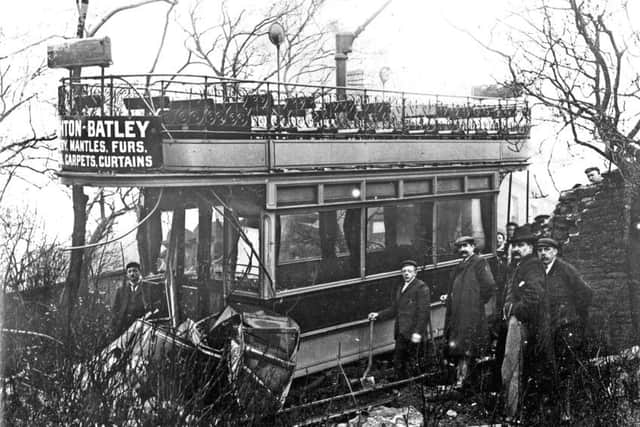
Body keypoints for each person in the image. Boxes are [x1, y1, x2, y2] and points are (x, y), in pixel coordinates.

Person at [536, 237, 593, 421]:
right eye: (540, 250)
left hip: (566, 326)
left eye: (547, 249)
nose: (543, 253)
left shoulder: (565, 270)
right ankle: (549, 412)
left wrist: (573, 315)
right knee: (548, 368)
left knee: (565, 370)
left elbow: (586, 293)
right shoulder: (539, 271)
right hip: (548, 327)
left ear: (555, 251)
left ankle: (566, 411)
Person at [501, 226, 545, 421]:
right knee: (509, 367)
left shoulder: (532, 266)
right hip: (513, 321)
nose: (517, 249)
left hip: (521, 323)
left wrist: (513, 310)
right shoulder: (519, 266)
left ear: (530, 247)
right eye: (515, 245)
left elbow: (533, 298)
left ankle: (513, 414)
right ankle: (511, 410)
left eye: (521, 245)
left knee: (514, 368)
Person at [444, 236, 495, 387]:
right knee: (461, 346)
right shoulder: (461, 265)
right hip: (458, 313)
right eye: (459, 247)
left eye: (465, 246)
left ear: (473, 246)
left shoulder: (479, 262)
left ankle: (464, 382)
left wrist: (476, 302)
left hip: (470, 314)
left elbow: (489, 285)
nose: (462, 250)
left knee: (467, 347)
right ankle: (461, 380)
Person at [368, 260, 430, 379]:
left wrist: (418, 333)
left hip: (413, 332)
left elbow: (424, 313)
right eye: (404, 271)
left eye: (409, 271)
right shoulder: (401, 287)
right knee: (399, 360)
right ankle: (404, 385)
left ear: (415, 273)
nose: (406, 273)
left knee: (412, 360)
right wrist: (378, 315)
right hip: (401, 331)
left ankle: (414, 387)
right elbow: (395, 309)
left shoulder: (421, 287)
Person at [111, 261, 150, 337]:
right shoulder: (121, 290)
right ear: (127, 274)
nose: (132, 274)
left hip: (141, 327)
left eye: (135, 271)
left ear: (139, 272)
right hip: (123, 327)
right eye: (129, 271)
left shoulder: (146, 288)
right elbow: (115, 309)